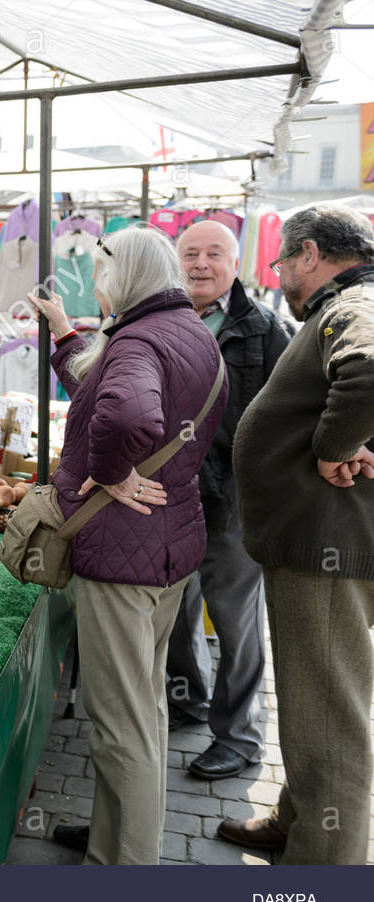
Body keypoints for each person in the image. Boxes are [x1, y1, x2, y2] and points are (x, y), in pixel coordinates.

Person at [32, 226, 227, 865]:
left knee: (121, 728)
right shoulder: (189, 331)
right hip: (169, 546)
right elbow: (103, 388)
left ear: (128, 273)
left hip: (124, 554)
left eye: (101, 268)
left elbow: (125, 415)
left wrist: (112, 472)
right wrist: (65, 332)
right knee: (142, 714)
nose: (95, 280)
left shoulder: (139, 339)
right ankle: (108, 856)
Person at [216, 205, 374, 864]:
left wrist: (336, 443)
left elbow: (367, 371)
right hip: (318, 542)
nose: (278, 274)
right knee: (313, 703)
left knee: (332, 722)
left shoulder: (352, 306)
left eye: (282, 261)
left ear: (310, 253)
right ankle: (296, 818)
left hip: (326, 549)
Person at [164, 221, 297, 780]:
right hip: (170, 500)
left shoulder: (267, 329)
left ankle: (240, 738)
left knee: (237, 624)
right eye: (189, 252)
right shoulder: (159, 321)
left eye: (213, 253)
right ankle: (188, 699)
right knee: (178, 610)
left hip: (236, 503)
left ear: (235, 264)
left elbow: (296, 412)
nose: (199, 263)